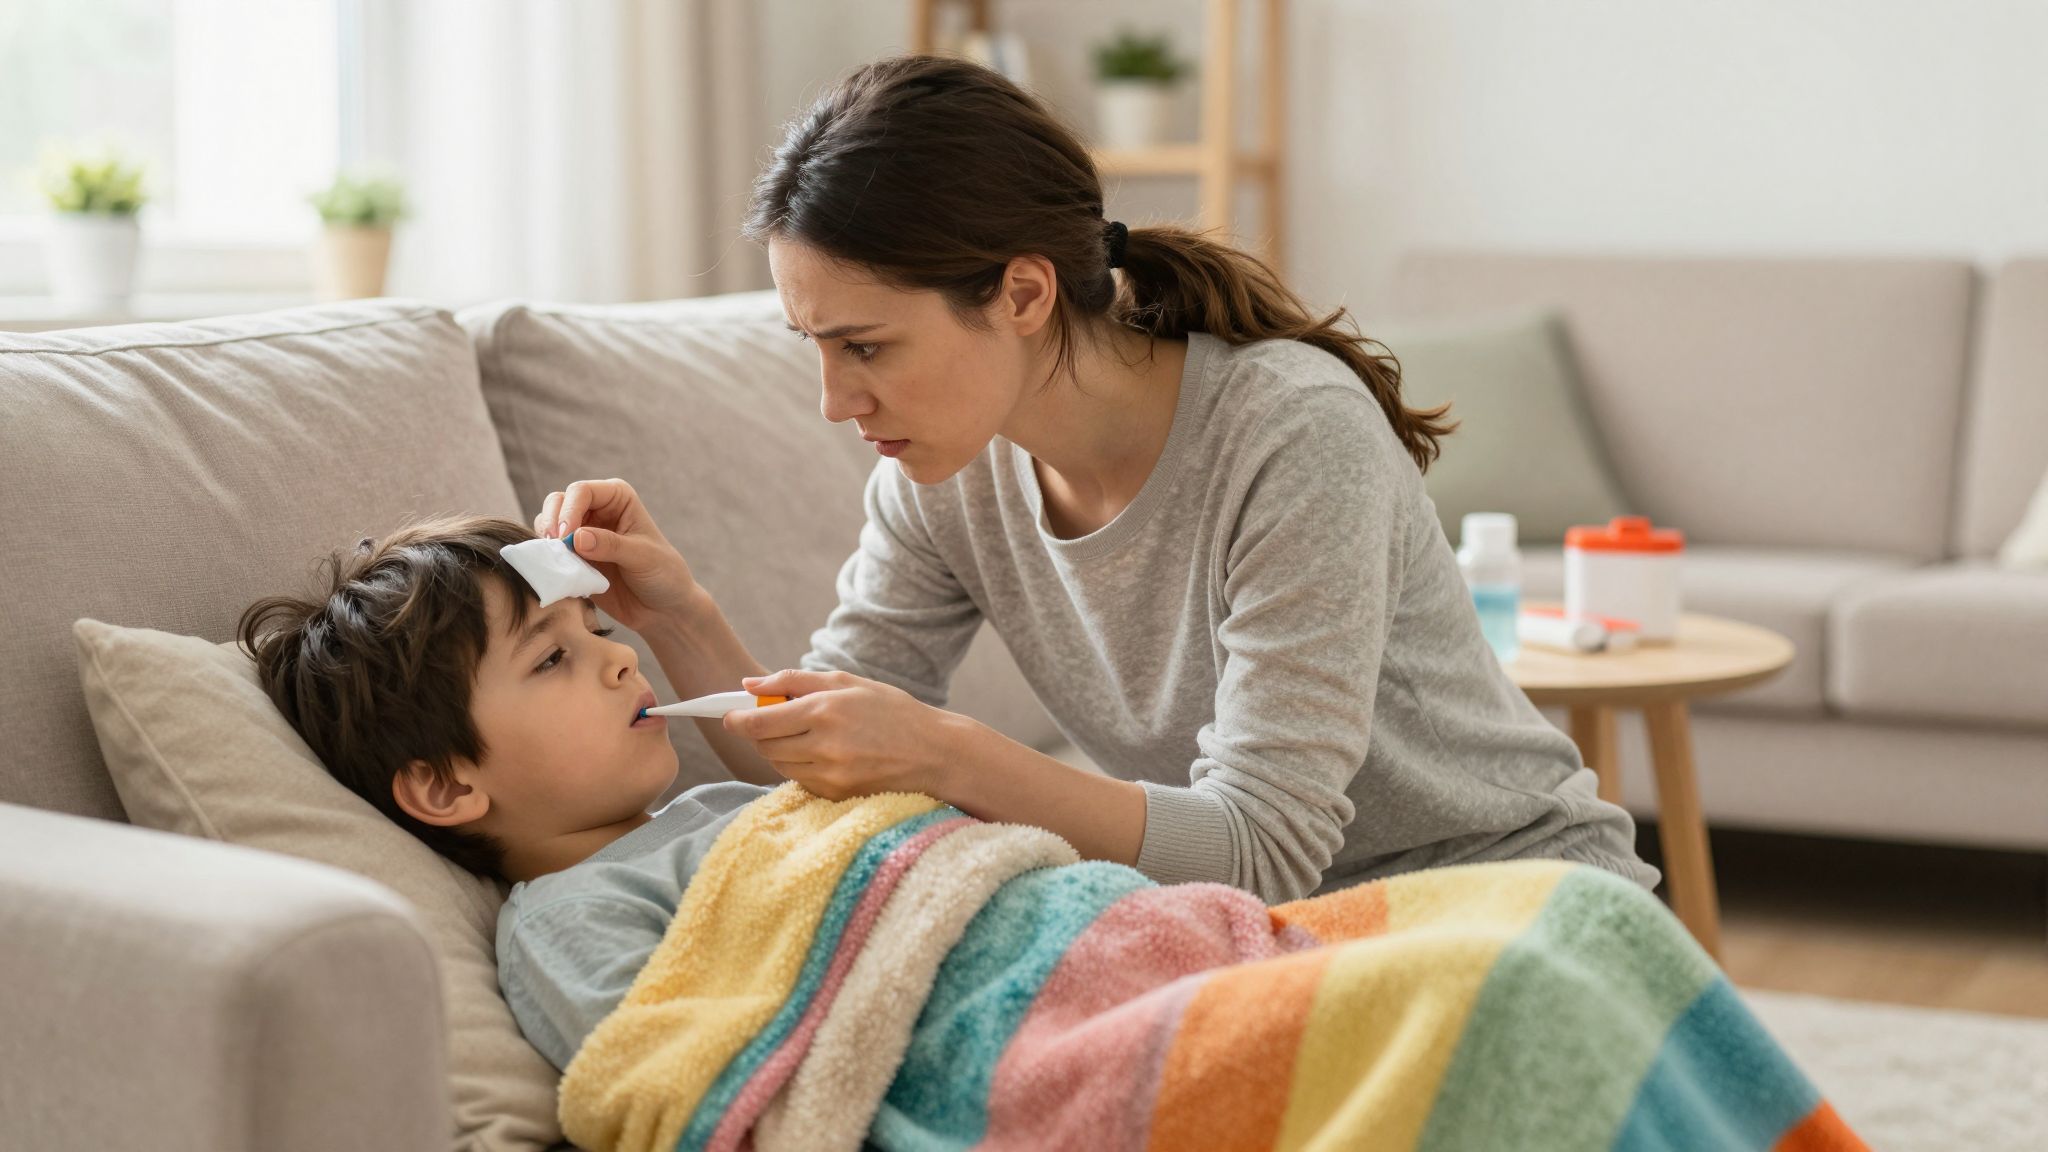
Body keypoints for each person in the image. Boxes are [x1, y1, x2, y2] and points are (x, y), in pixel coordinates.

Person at [544, 53, 1658, 907]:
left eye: (867, 347)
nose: (836, 402)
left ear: (1023, 294)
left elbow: (1261, 846)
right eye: (814, 347)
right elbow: (821, 754)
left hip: (1498, 889)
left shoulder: (1289, 433)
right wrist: (678, 614)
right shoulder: (942, 479)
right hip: (1247, 927)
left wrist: (947, 754)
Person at [238, 514, 770, 1070]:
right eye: (551, 659)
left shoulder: (724, 803)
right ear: (446, 786)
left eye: (596, 631)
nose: (623, 658)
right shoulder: (570, 925)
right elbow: (684, 1082)